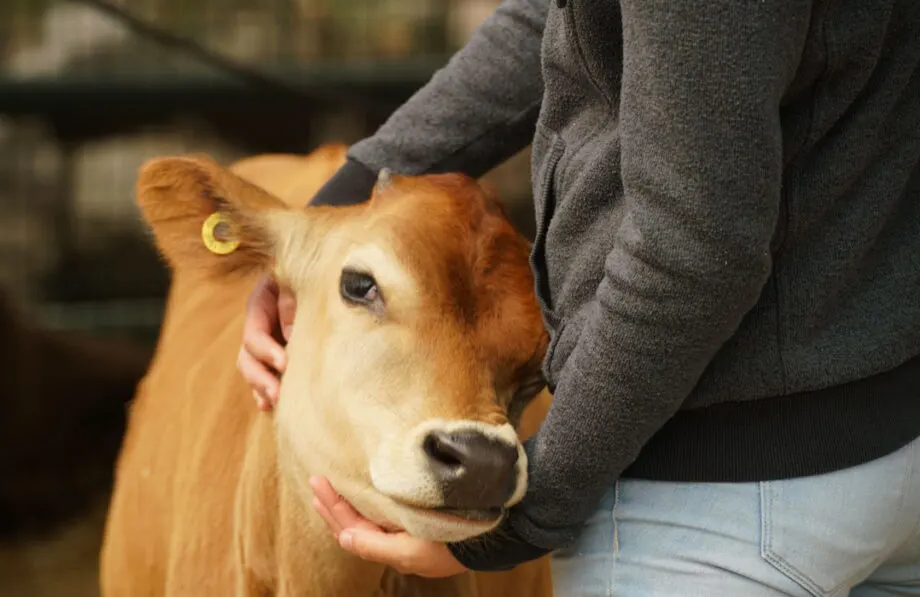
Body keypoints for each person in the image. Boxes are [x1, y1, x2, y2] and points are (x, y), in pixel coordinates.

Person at [237, 0, 920, 593]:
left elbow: (693, 251)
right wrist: (336, 215)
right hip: (887, 443)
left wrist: (520, 518)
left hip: (716, 509)